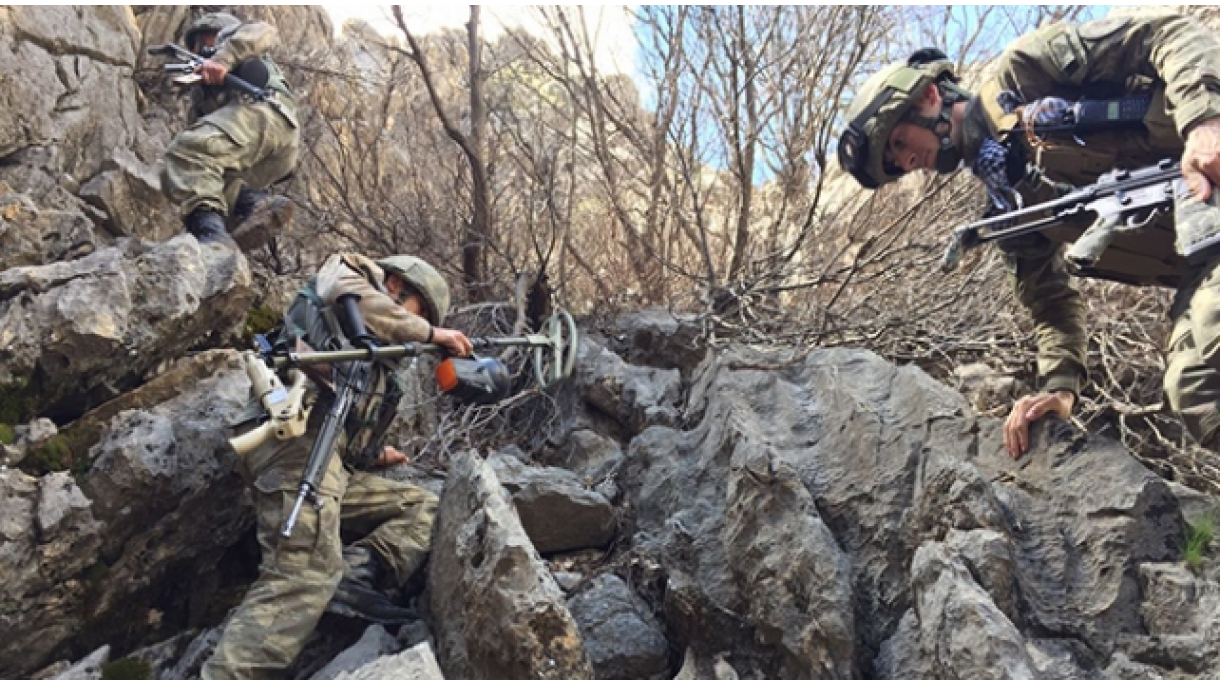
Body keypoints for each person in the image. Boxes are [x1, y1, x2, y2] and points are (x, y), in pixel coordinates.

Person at [836, 12, 1220, 459]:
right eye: (895, 164)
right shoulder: (1010, 209)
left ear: (928, 96)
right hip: (1203, 253)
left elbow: (1167, 33)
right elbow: (1050, 302)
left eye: (899, 143)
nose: (906, 162)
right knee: (1193, 390)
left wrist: (1204, 122)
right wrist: (1058, 390)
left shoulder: (1025, 69)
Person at [201, 253, 474, 680]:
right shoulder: (348, 275)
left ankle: (354, 576)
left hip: (331, 463)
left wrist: (376, 455)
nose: (398, 303)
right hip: (295, 443)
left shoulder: (382, 372)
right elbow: (360, 302)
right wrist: (432, 332)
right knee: (303, 572)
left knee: (424, 506)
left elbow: (354, 442)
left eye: (413, 306)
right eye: (401, 294)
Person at [160, 11, 300, 252]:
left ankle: (211, 237)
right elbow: (201, 164)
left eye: (204, 41)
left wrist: (223, 59)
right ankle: (258, 204)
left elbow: (263, 31)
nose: (199, 49)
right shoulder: (201, 96)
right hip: (274, 148)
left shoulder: (235, 39)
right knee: (211, 180)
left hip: (263, 114)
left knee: (190, 150)